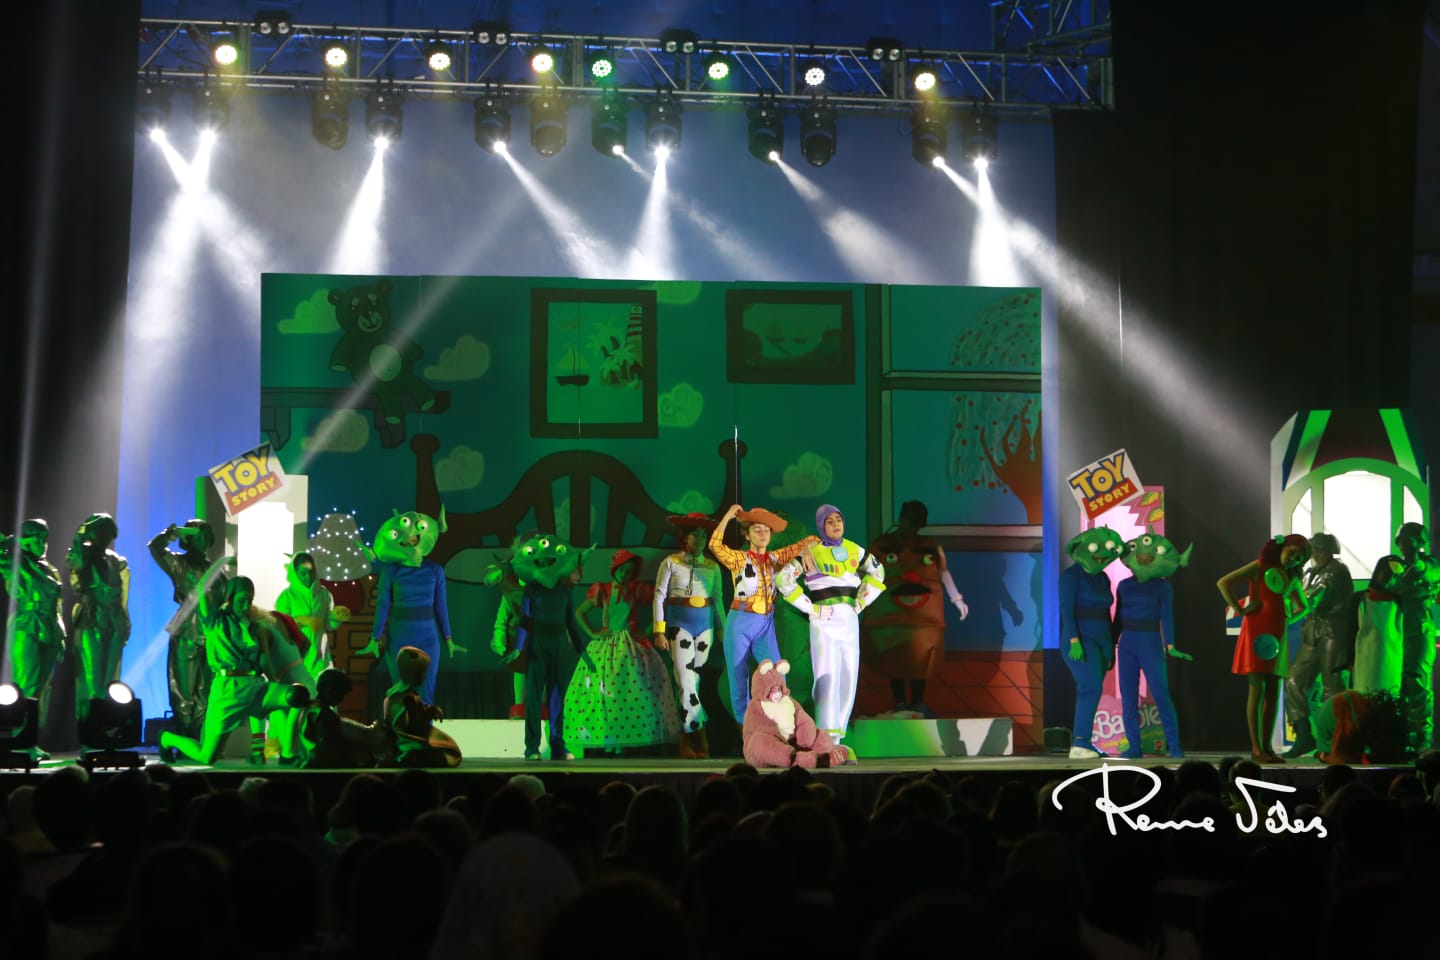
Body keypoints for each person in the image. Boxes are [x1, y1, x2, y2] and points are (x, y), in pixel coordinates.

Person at [159, 560, 305, 766]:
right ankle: (167, 739)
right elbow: (202, 588)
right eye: (241, 600)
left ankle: (288, 753)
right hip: (228, 691)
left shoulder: (254, 625)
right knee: (207, 756)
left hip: (256, 688)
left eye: (250, 601)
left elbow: (264, 659)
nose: (246, 606)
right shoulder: (215, 620)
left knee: (297, 695)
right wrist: (221, 562)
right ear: (230, 598)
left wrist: (275, 679)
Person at [777, 504, 886, 748]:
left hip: (849, 620)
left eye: (839, 519)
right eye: (829, 521)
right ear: (821, 525)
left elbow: (878, 572)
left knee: (849, 676)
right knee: (827, 677)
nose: (836, 524)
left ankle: (837, 739)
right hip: (824, 621)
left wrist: (861, 602)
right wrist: (810, 608)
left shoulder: (854, 549)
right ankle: (825, 738)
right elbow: (783, 579)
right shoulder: (812, 552)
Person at [708, 504, 820, 725]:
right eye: (756, 530)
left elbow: (812, 539)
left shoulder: (776, 558)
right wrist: (728, 516)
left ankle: (778, 722)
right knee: (738, 676)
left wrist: (807, 548)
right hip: (741, 619)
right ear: (747, 535)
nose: (762, 534)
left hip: (765, 622)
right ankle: (747, 727)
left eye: (766, 530)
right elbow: (714, 545)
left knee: (778, 673)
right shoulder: (738, 558)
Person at [860, 500, 968, 717]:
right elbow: (864, 572)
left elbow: (943, 572)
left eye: (916, 524)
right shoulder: (883, 545)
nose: (911, 528)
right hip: (891, 613)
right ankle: (900, 701)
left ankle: (917, 701)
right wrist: (856, 598)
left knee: (921, 654)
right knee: (894, 654)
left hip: (921, 616)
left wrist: (957, 598)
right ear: (901, 519)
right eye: (909, 522)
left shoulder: (928, 546)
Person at [566, 549, 679, 753]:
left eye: (629, 571)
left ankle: (626, 740)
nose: (625, 574)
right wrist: (593, 633)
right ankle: (609, 738)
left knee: (632, 689)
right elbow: (580, 611)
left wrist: (649, 630)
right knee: (604, 690)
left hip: (630, 644)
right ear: (615, 569)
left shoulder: (637, 589)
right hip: (607, 645)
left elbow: (660, 606)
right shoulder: (603, 589)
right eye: (622, 569)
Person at [1217, 533, 1311, 763]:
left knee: (1273, 691)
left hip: (1277, 636)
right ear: (1283, 547)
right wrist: (1240, 609)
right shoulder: (1259, 567)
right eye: (1293, 553)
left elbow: (1304, 606)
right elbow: (1223, 582)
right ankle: (1257, 748)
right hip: (1256, 631)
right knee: (1256, 688)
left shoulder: (1292, 578)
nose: (1294, 559)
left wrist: (1286, 618)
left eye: (1299, 558)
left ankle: (1267, 748)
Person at [357, 509, 465, 705]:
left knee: (426, 693)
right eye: (404, 539)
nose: (410, 540)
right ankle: (401, 725)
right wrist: (375, 637)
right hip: (400, 635)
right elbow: (383, 604)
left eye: (414, 536)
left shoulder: (435, 570)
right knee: (401, 692)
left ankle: (424, 725)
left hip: (428, 637)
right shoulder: (391, 571)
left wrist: (448, 638)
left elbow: (441, 606)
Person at [652, 513, 725, 758]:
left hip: (705, 628)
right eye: (696, 534)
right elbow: (659, 596)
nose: (700, 539)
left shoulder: (712, 566)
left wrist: (723, 629)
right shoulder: (671, 562)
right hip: (678, 626)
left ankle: (686, 738)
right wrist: (659, 630)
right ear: (684, 537)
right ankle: (699, 738)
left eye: (703, 535)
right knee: (685, 682)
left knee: (693, 683)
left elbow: (718, 600)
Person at [1113, 533, 1192, 759]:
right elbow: (1118, 618)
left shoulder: (1162, 587)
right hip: (1127, 645)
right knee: (1128, 698)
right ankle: (1134, 746)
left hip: (1150, 643)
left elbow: (1167, 616)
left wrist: (1170, 644)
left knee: (1161, 694)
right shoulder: (1124, 586)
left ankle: (1174, 746)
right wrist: (1111, 643)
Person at [510, 532, 588, 761]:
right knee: (534, 697)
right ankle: (532, 747)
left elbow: (571, 622)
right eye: (541, 561)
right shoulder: (532, 589)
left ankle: (557, 745)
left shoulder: (564, 591)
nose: (546, 565)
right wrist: (518, 648)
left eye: (550, 560)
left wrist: (583, 651)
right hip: (537, 646)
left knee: (557, 697)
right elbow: (525, 621)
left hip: (559, 646)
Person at [148, 519, 225, 739]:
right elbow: (155, 548)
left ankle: (198, 739)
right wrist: (170, 532)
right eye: (197, 535)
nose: (203, 540)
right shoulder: (179, 564)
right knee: (183, 691)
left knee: (205, 690)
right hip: (187, 632)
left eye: (206, 535)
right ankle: (184, 738)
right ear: (188, 539)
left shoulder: (216, 571)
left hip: (211, 635)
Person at [1284, 531, 1355, 757]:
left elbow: (1313, 598)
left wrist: (1292, 597)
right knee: (1294, 681)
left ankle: (1333, 740)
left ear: (1329, 551)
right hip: (1312, 632)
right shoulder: (1311, 572)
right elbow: (1303, 597)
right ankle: (1304, 735)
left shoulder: (1337, 571)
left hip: (1333, 631)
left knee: (1332, 687)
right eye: (1313, 550)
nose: (1314, 554)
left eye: (1319, 550)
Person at [1057, 527, 1124, 759]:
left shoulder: (1103, 578)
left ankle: (1085, 741)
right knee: (1090, 687)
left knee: (1093, 688)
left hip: (1102, 639)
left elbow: (1107, 613)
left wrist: (1111, 645)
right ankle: (1079, 743)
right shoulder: (1071, 576)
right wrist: (1074, 640)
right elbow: (1066, 610)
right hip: (1080, 639)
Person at [0, 519, 66, 752]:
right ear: (24, 539)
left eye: (44, 537)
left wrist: (61, 635)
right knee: (27, 683)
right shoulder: (14, 561)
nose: (42, 542)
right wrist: (10, 544)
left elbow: (57, 604)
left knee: (42, 688)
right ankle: (20, 738)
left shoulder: (49, 569)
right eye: (36, 536)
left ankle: (32, 739)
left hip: (50, 627)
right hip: (26, 624)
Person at [66, 513, 130, 723]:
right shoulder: (81, 554)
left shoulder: (117, 560)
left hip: (114, 619)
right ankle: (88, 727)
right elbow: (75, 563)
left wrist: (125, 621)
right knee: (91, 676)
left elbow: (123, 595)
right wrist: (80, 535)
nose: (105, 536)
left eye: (108, 531)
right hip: (91, 617)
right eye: (99, 531)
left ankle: (105, 725)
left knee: (111, 679)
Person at [1392, 522, 1439, 755]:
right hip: (1397, 631)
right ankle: (1402, 735)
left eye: (1409, 540)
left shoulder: (1431, 564)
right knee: (1399, 685)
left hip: (1420, 631)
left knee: (1417, 681)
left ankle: (1422, 736)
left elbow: (1424, 569)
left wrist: (1415, 561)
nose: (1404, 545)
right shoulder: (1396, 566)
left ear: (1419, 542)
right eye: (1402, 541)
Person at [385, 646, 461, 768]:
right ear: (412, 672)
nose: (425, 676)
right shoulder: (408, 697)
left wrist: (427, 712)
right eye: (423, 672)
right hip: (407, 744)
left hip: (403, 743)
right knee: (447, 752)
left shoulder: (393, 695)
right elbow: (412, 725)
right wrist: (427, 714)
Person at [300, 668, 387, 768]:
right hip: (323, 768)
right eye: (341, 694)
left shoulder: (314, 709)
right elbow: (327, 747)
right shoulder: (323, 714)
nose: (341, 700)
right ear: (331, 691)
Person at [1352, 554, 1405, 696]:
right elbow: (1350, 630)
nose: (1390, 579)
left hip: (1391, 659)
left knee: (1390, 694)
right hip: (1365, 658)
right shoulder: (1361, 599)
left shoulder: (1400, 603)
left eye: (1395, 576)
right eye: (1387, 573)